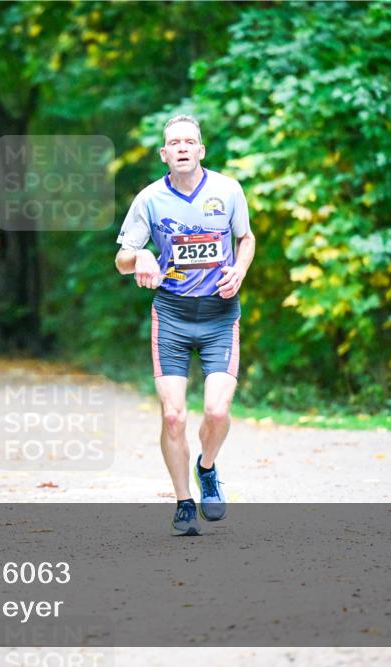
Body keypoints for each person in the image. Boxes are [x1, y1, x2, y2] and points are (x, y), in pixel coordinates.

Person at [114, 114, 256, 536]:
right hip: (172, 315)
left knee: (216, 409)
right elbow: (122, 258)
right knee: (173, 416)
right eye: (173, 142)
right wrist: (139, 257)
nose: (180, 147)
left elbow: (245, 239)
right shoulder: (149, 199)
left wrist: (241, 271)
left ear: (200, 150)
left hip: (219, 315)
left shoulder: (228, 190)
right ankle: (183, 502)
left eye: (188, 141)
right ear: (164, 153)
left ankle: (206, 468)